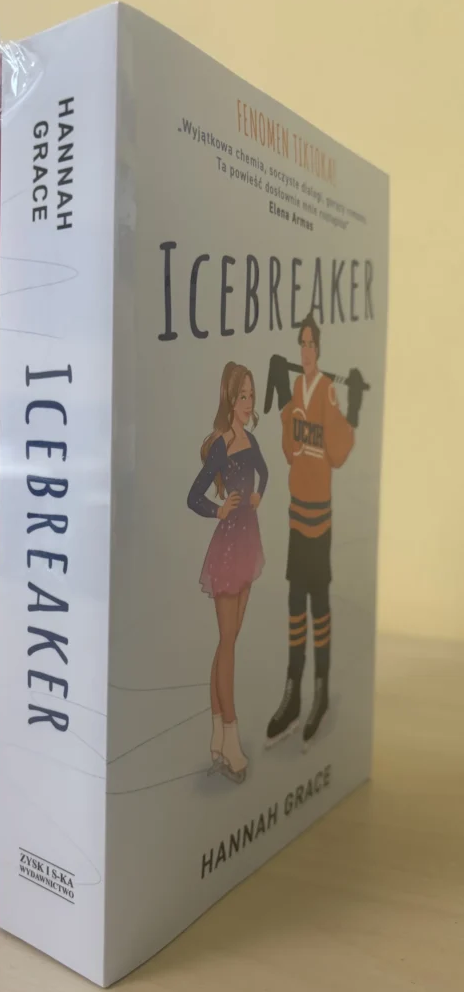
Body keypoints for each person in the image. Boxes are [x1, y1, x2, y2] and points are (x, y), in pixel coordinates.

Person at [265, 313, 360, 750]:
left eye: (310, 344)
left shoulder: (326, 391)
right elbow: (290, 449)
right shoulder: (300, 392)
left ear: (318, 350)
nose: (305, 350)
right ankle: (293, 691)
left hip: (319, 519)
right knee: (294, 602)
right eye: (301, 343)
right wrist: (285, 394)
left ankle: (320, 690)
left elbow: (337, 453)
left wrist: (353, 406)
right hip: (295, 516)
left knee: (318, 603)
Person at [187, 362, 268, 782]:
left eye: (251, 395)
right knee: (228, 642)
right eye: (242, 396)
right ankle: (231, 737)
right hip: (227, 548)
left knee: (229, 640)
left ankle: (218, 735)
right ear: (229, 399)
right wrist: (218, 510)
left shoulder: (251, 440)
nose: (248, 402)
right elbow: (193, 495)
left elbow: (265, 473)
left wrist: (258, 495)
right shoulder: (221, 445)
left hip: (248, 542)